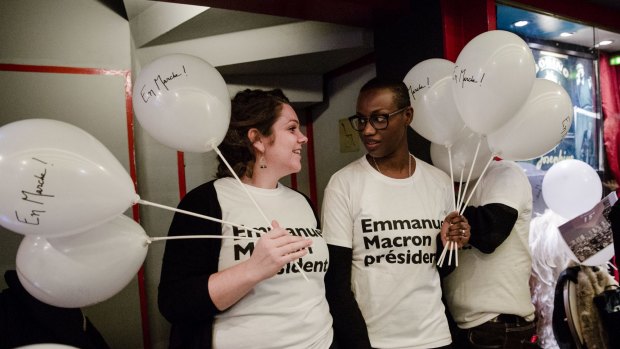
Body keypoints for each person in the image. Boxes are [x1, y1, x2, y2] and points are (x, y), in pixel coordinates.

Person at [158, 89, 334, 349]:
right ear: (258, 139)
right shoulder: (205, 203)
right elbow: (174, 303)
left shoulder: (302, 202)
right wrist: (253, 269)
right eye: (292, 129)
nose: (303, 138)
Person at [321, 77, 470, 349]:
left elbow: (442, 268)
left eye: (379, 119)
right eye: (361, 120)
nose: (367, 130)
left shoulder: (437, 182)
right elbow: (335, 284)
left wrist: (452, 243)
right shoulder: (344, 184)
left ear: (407, 116)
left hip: (435, 336)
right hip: (377, 341)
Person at [442, 159, 538, 349]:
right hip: (468, 326)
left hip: (497, 327)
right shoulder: (454, 182)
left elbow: (491, 232)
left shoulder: (505, 173)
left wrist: (439, 207)